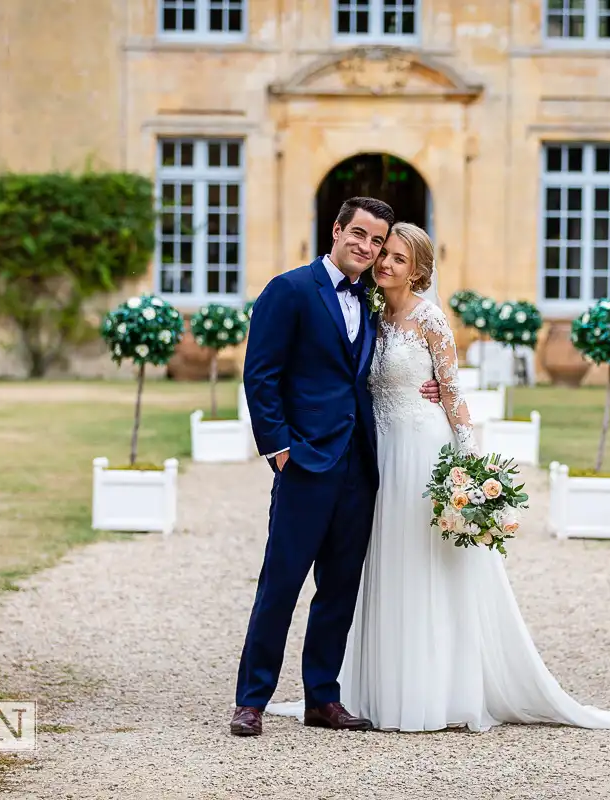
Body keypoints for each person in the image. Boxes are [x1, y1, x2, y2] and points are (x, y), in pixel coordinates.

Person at [267, 223, 610, 732]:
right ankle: (377, 687)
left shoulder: (430, 319)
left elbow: (451, 394)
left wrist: (467, 469)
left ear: (419, 269)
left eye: (398, 259)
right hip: (376, 455)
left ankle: (436, 691)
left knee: (429, 566)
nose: (383, 264)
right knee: (384, 565)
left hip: (423, 450)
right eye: (384, 254)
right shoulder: (370, 311)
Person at [230, 198, 441, 737]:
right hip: (305, 462)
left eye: (376, 242)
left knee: (340, 587)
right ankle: (252, 700)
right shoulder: (290, 289)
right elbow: (261, 375)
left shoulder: (373, 302)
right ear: (337, 230)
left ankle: (322, 698)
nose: (367, 248)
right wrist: (279, 448)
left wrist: (432, 389)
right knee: (281, 584)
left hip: (361, 467)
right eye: (360, 235)